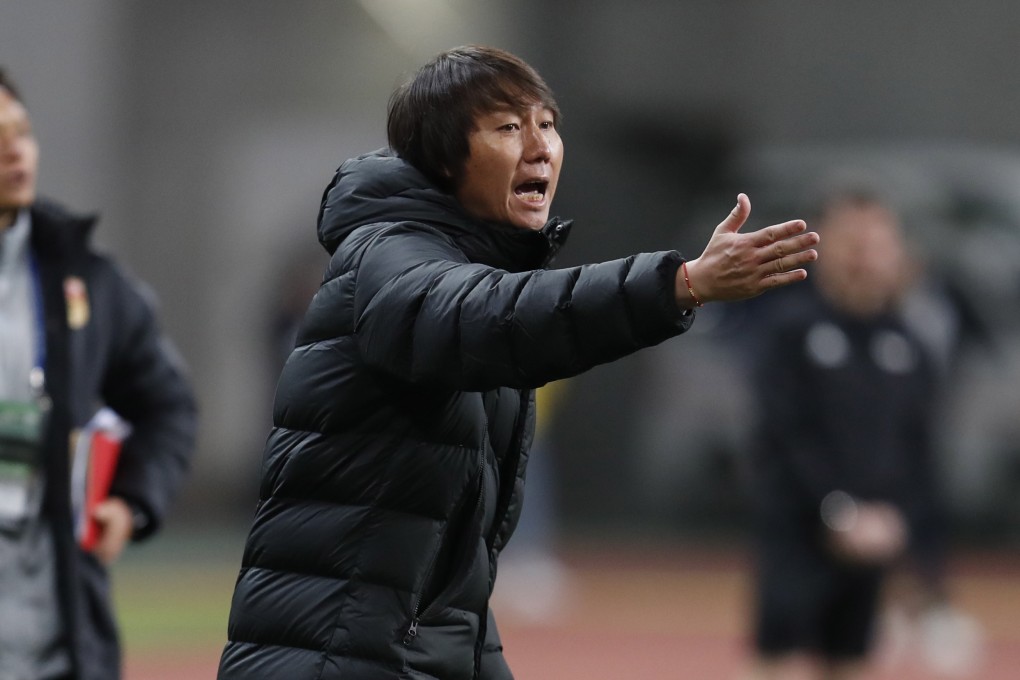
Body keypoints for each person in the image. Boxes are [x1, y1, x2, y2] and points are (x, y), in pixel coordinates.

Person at [217, 45, 818, 680]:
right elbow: (483, 316)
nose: (540, 147)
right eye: (508, 127)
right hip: (328, 657)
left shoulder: (473, 265)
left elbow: (450, 587)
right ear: (444, 158)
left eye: (548, 124)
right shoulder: (387, 256)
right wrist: (679, 283)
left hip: (407, 647)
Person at [0, 69, 197, 680]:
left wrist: (132, 503)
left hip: (55, 639)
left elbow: (168, 405)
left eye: (23, 132)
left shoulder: (84, 278)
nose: (15, 151)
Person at [741, 187, 948, 680]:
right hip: (799, 534)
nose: (866, 256)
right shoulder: (790, 331)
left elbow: (917, 452)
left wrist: (909, 536)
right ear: (823, 248)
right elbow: (784, 439)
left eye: (877, 243)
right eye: (852, 242)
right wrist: (840, 513)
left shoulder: (909, 345)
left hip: (873, 542)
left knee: (854, 661)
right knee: (781, 662)